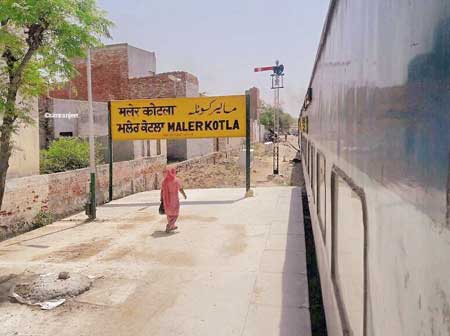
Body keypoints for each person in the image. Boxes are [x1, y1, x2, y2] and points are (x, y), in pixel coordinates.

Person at [160, 167, 187, 233]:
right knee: (175, 212)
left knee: (169, 213)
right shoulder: (176, 180)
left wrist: (161, 198)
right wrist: (184, 195)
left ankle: (172, 226)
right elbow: (180, 189)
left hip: (166, 198)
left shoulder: (164, 181)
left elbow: (162, 191)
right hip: (174, 198)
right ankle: (170, 225)